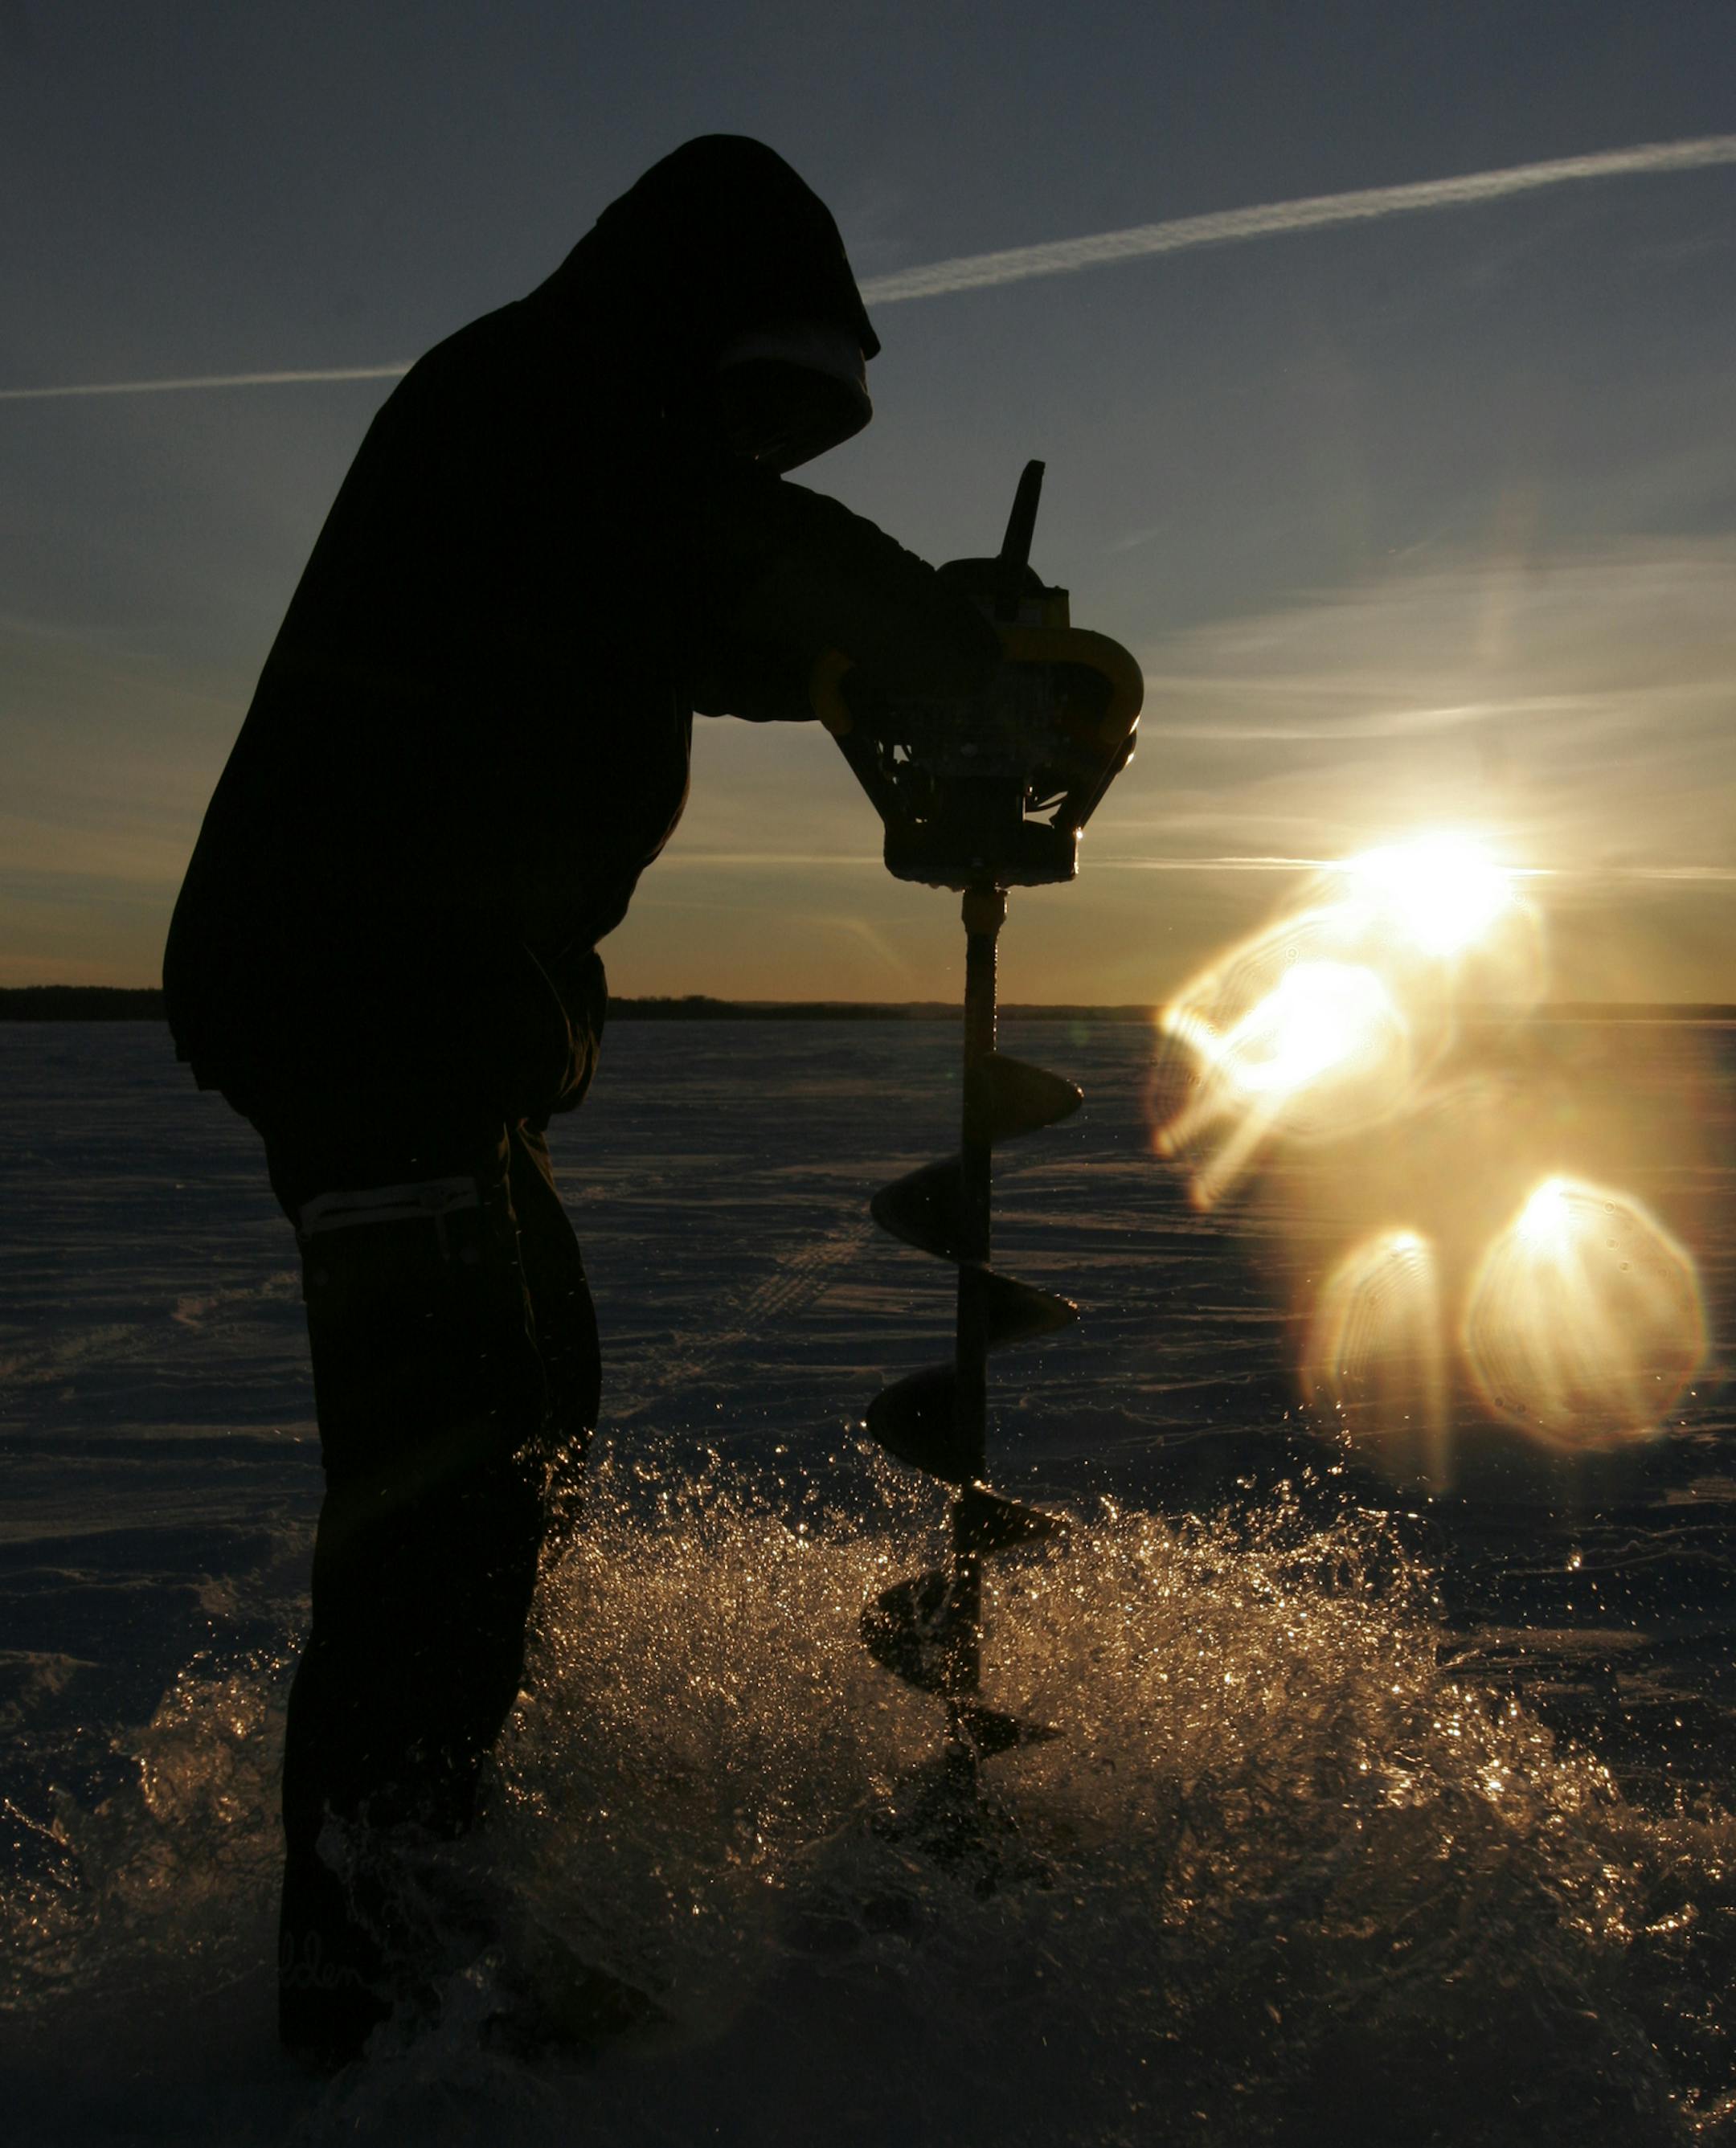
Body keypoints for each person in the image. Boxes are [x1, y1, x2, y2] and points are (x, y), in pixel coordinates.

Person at [163, 135, 1000, 2062]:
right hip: (361, 1003)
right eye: (759, 401)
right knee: (438, 1496)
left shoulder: (583, 465)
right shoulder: (538, 399)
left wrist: (910, 623)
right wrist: (948, 643)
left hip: (426, 1024)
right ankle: (363, 2011)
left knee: (532, 1411)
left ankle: (441, 1892)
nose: (770, 453)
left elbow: (731, 610)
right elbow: (730, 550)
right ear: (688, 324)